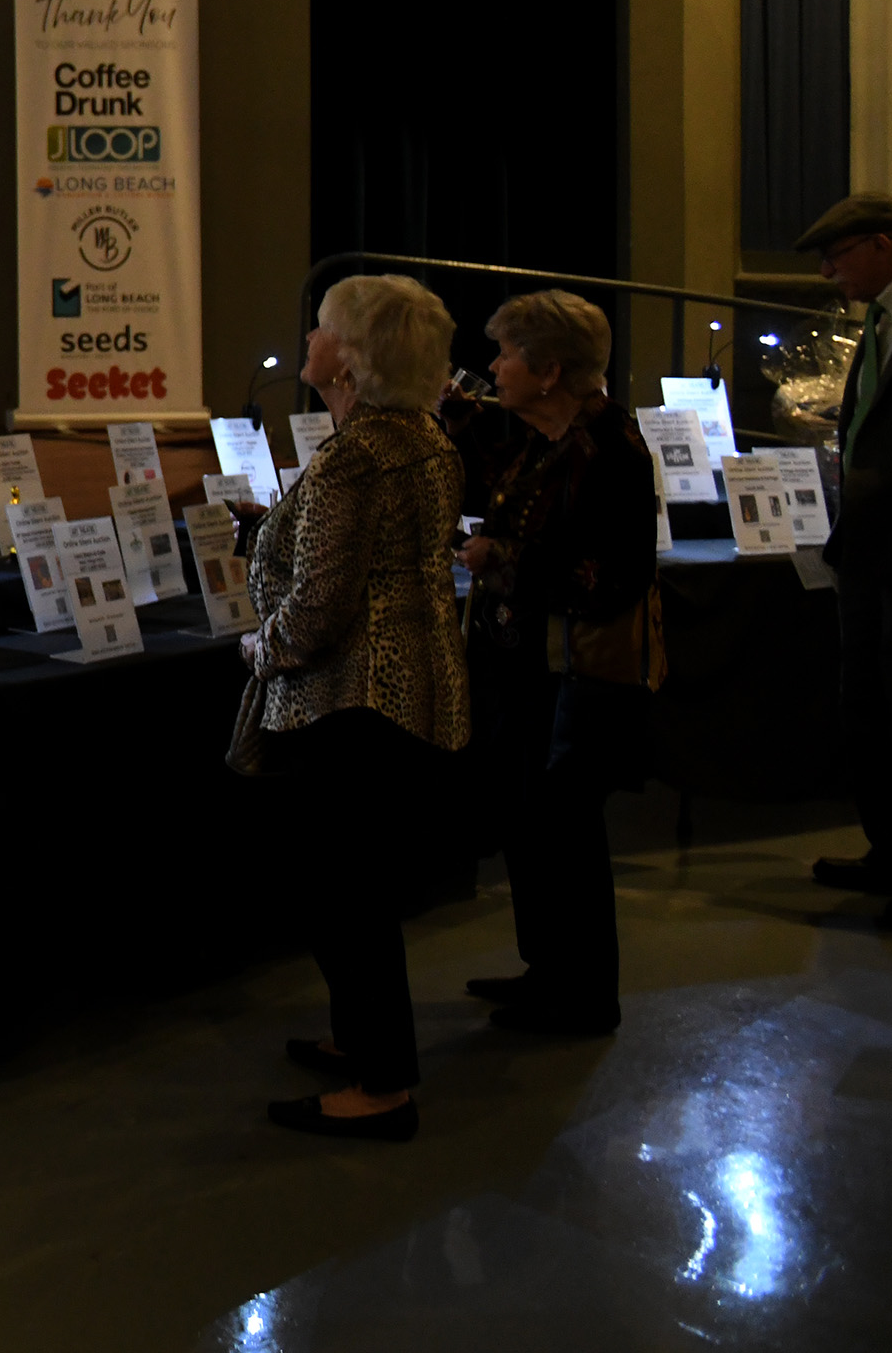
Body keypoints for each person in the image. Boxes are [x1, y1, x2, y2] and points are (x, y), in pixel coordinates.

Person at [232, 273, 469, 1141]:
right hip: (409, 694)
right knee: (356, 886)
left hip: (352, 702)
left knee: (348, 896)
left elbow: (324, 605)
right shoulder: (424, 439)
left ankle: (382, 1086)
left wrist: (262, 648)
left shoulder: (356, 455)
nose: (308, 340)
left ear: (353, 359)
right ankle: (359, 1040)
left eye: (323, 328)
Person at [440, 290, 662, 1032]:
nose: (494, 367)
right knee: (530, 824)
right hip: (527, 668)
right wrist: (457, 420)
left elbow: (611, 577)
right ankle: (548, 971)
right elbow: (502, 483)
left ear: (549, 371)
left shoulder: (609, 450)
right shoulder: (549, 436)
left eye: (506, 355)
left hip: (572, 677)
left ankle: (586, 997)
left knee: (567, 834)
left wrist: (501, 560)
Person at [803, 193, 892, 933]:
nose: (827, 272)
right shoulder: (880, 320)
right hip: (869, 549)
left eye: (836, 256)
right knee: (870, 705)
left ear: (882, 245)